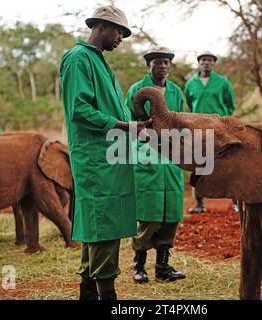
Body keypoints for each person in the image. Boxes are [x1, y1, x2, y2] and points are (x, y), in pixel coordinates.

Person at [59, 5, 151, 300]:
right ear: (101, 27)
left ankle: (87, 293)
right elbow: (79, 109)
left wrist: (136, 127)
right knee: (103, 227)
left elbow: (114, 109)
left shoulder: (99, 62)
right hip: (96, 161)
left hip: (111, 159)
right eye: (119, 32)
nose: (121, 38)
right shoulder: (77, 59)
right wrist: (123, 126)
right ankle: (108, 296)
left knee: (98, 229)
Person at [126, 47, 186, 284]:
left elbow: (181, 121)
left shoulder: (176, 92)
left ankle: (163, 266)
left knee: (171, 212)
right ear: (148, 65)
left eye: (166, 63)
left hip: (171, 157)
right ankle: (139, 265)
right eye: (158, 62)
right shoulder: (135, 90)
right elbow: (128, 123)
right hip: (146, 154)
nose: (163, 66)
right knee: (148, 213)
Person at [184, 51, 236, 213]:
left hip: (219, 128)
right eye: (203, 60)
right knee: (198, 164)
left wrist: (223, 121)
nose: (206, 62)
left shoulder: (223, 82)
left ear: (213, 63)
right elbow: (189, 104)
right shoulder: (190, 84)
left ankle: (234, 201)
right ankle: (199, 203)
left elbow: (230, 104)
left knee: (227, 163)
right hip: (197, 129)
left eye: (210, 60)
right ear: (199, 63)